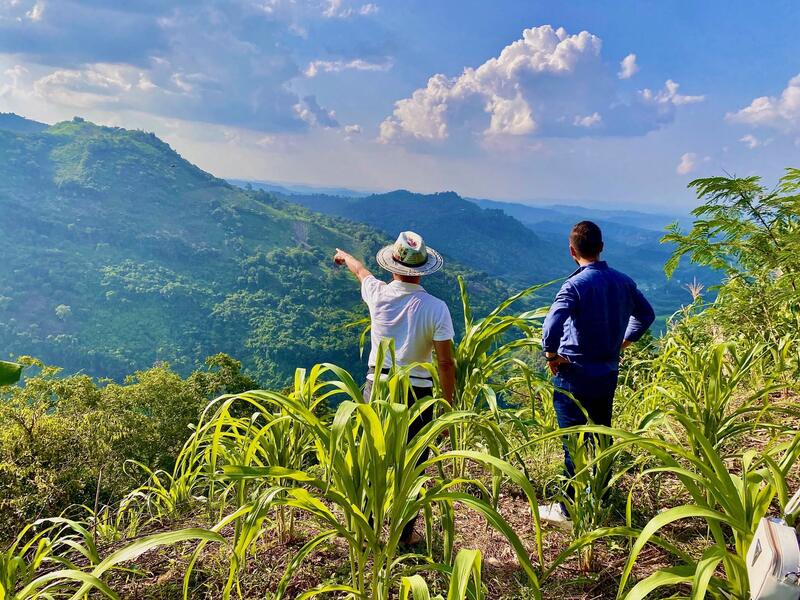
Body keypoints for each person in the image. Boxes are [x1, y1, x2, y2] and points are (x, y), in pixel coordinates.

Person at [333, 231, 456, 545]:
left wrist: (344, 256)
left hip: (376, 388)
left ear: (393, 265)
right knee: (412, 465)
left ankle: (366, 528)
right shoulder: (437, 308)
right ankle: (404, 536)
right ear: (423, 268)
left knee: (371, 458)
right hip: (417, 395)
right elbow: (445, 364)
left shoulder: (378, 294)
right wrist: (446, 405)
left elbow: (360, 271)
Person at [539, 221, 655, 528]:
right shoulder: (624, 282)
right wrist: (624, 341)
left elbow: (551, 326)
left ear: (572, 251)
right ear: (601, 247)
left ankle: (566, 509)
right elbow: (647, 315)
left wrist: (551, 355)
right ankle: (599, 497)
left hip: (572, 374)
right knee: (600, 437)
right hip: (606, 374)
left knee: (573, 443)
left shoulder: (574, 286)